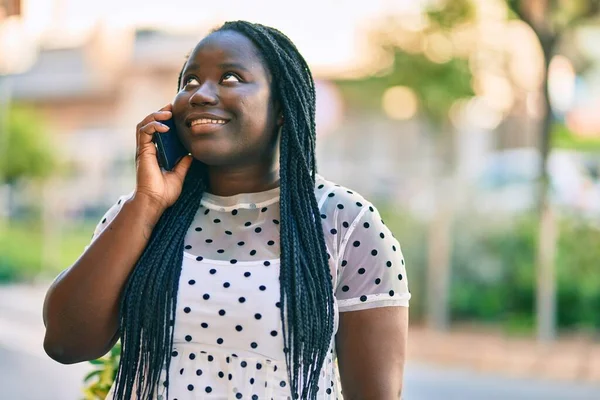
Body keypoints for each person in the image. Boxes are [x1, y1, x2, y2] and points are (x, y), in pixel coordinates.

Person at [42, 20, 410, 400]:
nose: (200, 94)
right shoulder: (139, 214)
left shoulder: (345, 222)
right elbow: (66, 343)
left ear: (282, 106)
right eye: (189, 81)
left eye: (230, 77)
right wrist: (147, 205)